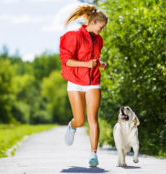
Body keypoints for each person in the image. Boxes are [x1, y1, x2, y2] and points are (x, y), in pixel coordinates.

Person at [59, 4, 108, 167]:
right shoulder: (73, 36)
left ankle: (93, 154)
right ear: (93, 23)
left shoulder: (98, 40)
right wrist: (88, 64)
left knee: (93, 118)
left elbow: (92, 59)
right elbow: (67, 60)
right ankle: (72, 126)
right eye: (100, 27)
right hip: (75, 81)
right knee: (80, 120)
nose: (101, 31)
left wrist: (99, 64)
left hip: (93, 81)